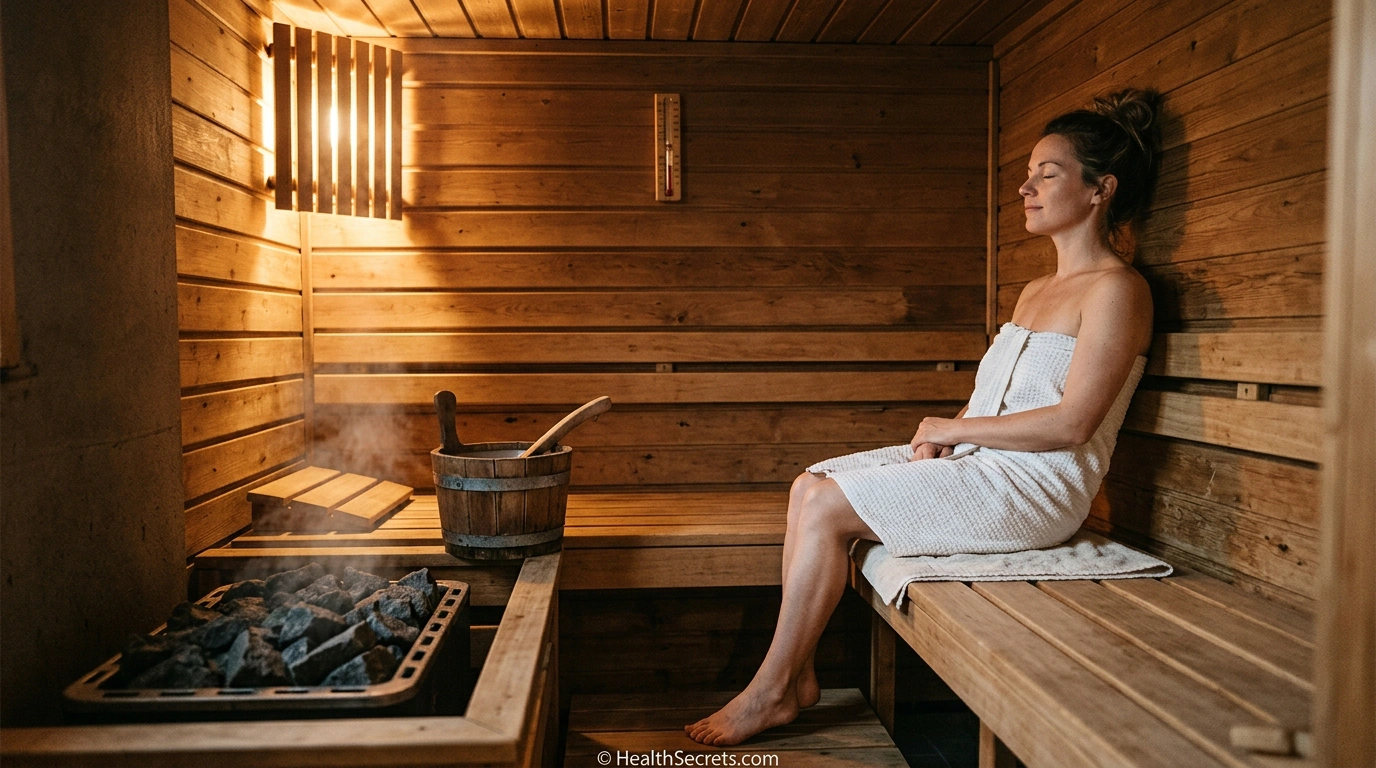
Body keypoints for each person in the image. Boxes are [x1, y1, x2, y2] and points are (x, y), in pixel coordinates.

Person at [685, 88, 1163, 747]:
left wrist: (950, 429)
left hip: (1036, 490)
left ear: (1099, 189)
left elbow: (1072, 424)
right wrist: (941, 440)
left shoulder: (1119, 289)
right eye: (1027, 174)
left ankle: (771, 690)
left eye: (1046, 174)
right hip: (980, 465)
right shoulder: (1035, 291)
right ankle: (795, 680)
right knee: (807, 488)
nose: (1026, 188)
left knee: (826, 509)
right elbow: (994, 400)